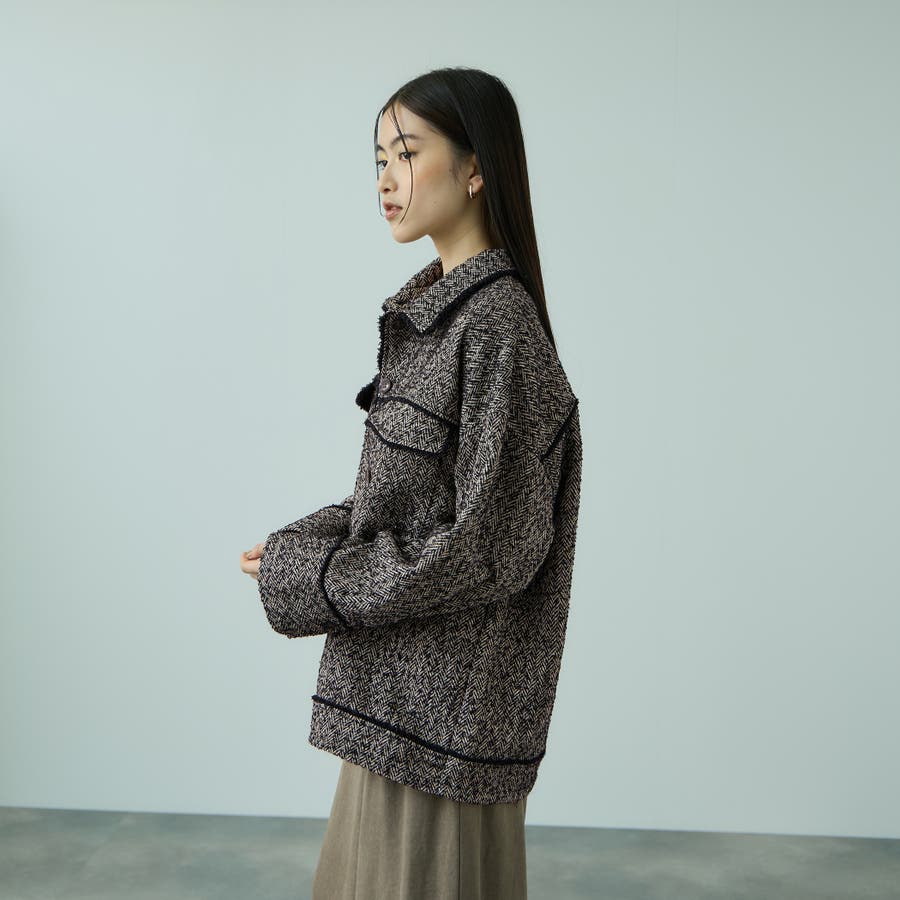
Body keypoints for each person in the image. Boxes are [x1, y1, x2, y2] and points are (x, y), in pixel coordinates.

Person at [240, 66, 583, 900]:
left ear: (475, 170)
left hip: (444, 730)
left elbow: (484, 548)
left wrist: (315, 578)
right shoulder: (439, 319)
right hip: (397, 709)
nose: (386, 179)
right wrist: (296, 548)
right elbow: (402, 506)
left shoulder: (497, 327)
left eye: (407, 152)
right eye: (379, 159)